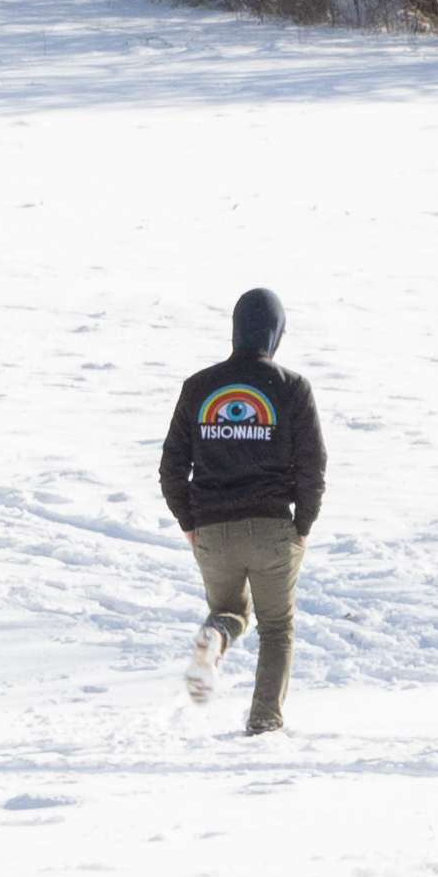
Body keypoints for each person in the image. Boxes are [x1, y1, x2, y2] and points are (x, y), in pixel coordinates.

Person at [159, 286, 328, 734]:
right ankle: (264, 722)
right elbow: (313, 467)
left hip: (213, 531)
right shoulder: (293, 390)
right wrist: (303, 525)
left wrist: (190, 524)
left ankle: (213, 639)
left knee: (229, 613)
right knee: (276, 628)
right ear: (276, 333)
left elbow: (171, 468)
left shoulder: (199, 388)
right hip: (274, 530)